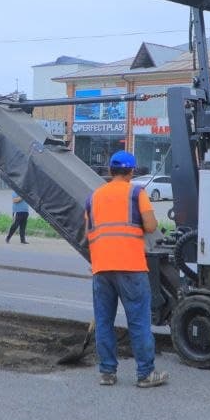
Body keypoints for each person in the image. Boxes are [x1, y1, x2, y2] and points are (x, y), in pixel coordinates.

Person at [85, 150, 168, 388]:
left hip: (102, 268)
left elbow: (88, 233)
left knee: (103, 322)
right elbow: (151, 226)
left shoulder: (94, 197)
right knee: (139, 321)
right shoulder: (136, 193)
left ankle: (107, 373)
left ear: (110, 171)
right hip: (131, 268)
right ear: (131, 172)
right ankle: (145, 374)